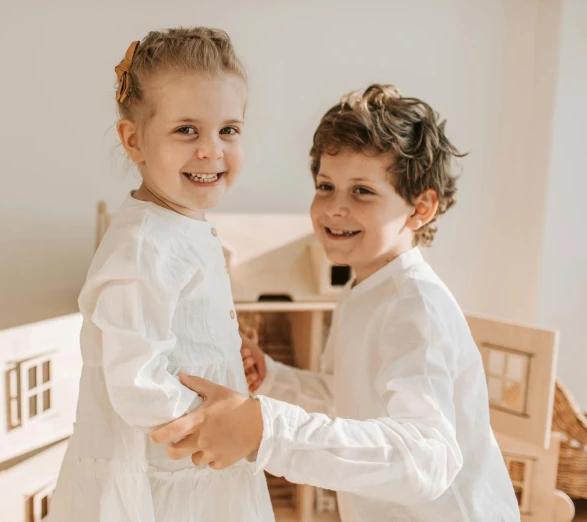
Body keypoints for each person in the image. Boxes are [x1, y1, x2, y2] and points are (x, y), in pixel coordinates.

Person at [150, 84, 521, 522]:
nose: (334, 208)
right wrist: (273, 379)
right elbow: (345, 402)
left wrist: (266, 428)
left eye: (362, 191)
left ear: (420, 209)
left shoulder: (415, 306)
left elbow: (428, 458)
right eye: (326, 186)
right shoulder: (363, 292)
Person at [47, 27, 275, 522]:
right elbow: (136, 381)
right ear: (134, 140)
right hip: (160, 481)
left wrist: (225, 365)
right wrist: (219, 422)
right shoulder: (143, 243)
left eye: (229, 130)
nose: (212, 150)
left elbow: (178, 337)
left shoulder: (183, 227)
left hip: (196, 471)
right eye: (186, 130)